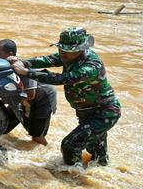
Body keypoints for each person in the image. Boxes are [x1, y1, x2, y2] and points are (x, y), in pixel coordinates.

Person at [9, 27, 121, 166]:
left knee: (70, 145)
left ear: (80, 49)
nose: (62, 53)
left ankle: (72, 180)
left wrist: (26, 72)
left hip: (104, 113)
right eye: (61, 49)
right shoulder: (68, 56)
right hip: (86, 112)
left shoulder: (92, 66)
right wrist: (23, 62)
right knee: (96, 152)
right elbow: (46, 60)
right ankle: (98, 179)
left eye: (67, 50)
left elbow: (62, 78)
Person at [0, 39, 56, 146]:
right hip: (22, 97)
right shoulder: (3, 66)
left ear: (10, 55)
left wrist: (2, 100)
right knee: (1, 126)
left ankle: (47, 154)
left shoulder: (20, 66)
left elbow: (31, 95)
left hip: (42, 99)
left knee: (37, 136)